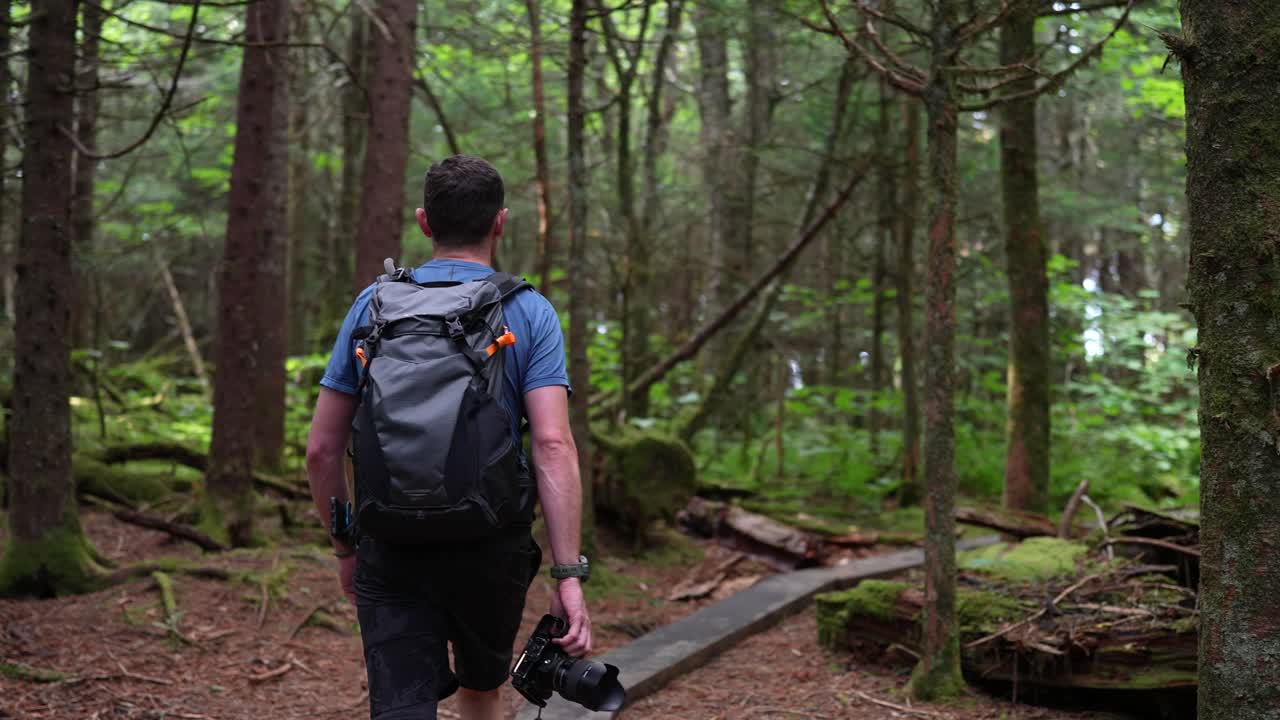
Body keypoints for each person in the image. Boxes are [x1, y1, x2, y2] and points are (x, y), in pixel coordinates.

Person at [305, 155, 592, 720]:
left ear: (423, 222)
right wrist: (568, 575)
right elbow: (553, 446)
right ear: (500, 222)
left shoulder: (373, 305)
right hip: (490, 544)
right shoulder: (528, 311)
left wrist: (345, 547)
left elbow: (321, 450)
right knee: (483, 690)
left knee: (401, 705)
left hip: (389, 541)